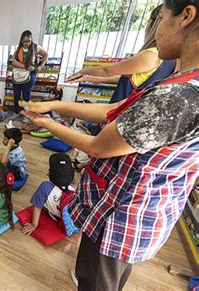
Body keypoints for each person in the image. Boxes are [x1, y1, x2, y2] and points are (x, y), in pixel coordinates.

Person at [21, 1, 199, 289]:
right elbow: (115, 109)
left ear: (186, 17)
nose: (158, 29)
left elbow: (98, 147)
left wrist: (47, 123)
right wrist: (54, 104)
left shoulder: (179, 97)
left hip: (124, 216)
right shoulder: (178, 83)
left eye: (163, 17)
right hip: (121, 211)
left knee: (98, 282)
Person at [65, 5, 177, 104]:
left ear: (153, 24)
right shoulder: (170, 59)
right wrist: (90, 78)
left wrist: (82, 71)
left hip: (124, 111)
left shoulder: (151, 55)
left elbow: (106, 71)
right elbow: (130, 80)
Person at [21, 153, 75, 235]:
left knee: (42, 201)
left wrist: (33, 225)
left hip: (56, 218)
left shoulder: (45, 186)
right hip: (70, 220)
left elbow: (37, 206)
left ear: (50, 174)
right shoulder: (73, 190)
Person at [11, 30, 48, 121]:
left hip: (30, 75)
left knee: (26, 95)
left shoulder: (36, 48)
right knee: (16, 94)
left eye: (29, 41)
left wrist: (40, 66)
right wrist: (25, 67)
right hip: (18, 74)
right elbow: (14, 62)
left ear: (31, 40)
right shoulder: (18, 49)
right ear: (21, 41)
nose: (27, 43)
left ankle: (27, 115)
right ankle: (16, 112)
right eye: (25, 41)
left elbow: (46, 54)